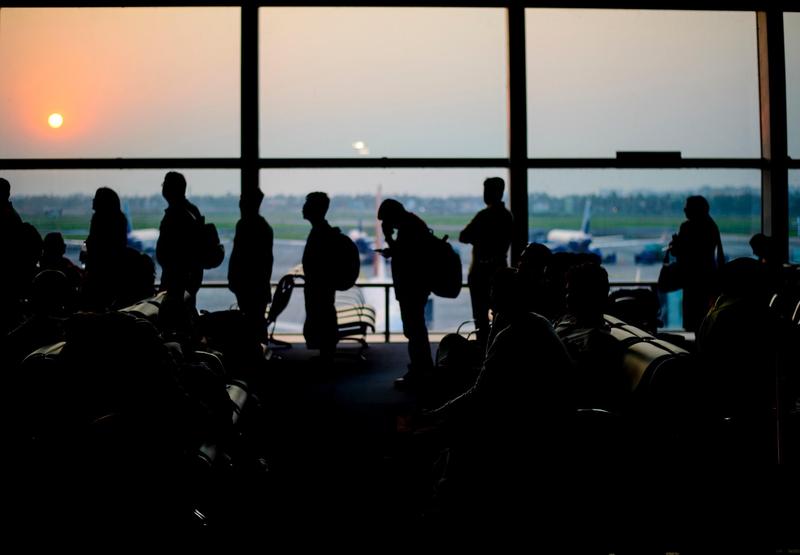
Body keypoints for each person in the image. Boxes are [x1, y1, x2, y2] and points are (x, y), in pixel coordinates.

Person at [377, 199, 434, 388]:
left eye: (387, 220)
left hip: (412, 288)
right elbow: (407, 253)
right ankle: (422, 369)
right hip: (415, 287)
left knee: (415, 330)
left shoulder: (409, 228)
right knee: (416, 329)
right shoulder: (413, 225)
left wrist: (388, 238)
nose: (387, 225)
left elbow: (407, 259)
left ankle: (420, 371)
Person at [459, 177, 513, 348]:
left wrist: (479, 239)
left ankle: (484, 350)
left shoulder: (483, 216)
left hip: (480, 273)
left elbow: (463, 236)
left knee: (480, 318)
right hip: (498, 271)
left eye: (487, 191)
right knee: (502, 315)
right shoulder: (506, 216)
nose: (485, 194)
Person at [156, 171, 205, 335]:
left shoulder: (176, 214)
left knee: (175, 321)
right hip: (190, 275)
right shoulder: (192, 210)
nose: (163, 188)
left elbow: (170, 250)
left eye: (165, 184)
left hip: (176, 277)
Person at [668, 195, 725, 332]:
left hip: (691, 280)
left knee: (692, 322)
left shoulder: (687, 227)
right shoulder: (712, 226)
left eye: (687, 207)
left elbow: (681, 254)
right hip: (708, 279)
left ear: (694, 209)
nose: (684, 210)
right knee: (706, 323)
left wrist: (675, 245)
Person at [229, 187, 274, 345]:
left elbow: (239, 256)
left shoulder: (244, 225)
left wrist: (234, 279)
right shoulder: (264, 227)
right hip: (257, 286)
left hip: (247, 285)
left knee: (250, 325)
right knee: (257, 323)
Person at [301, 192, 338, 361]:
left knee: (322, 317)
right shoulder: (323, 231)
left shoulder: (320, 233)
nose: (304, 207)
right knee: (324, 316)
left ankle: (327, 354)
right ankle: (326, 352)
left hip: (318, 287)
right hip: (320, 286)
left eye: (307, 204)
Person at [81, 187, 128, 311]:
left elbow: (96, 245)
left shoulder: (99, 219)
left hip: (100, 275)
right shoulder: (119, 218)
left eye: (95, 199)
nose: (93, 202)